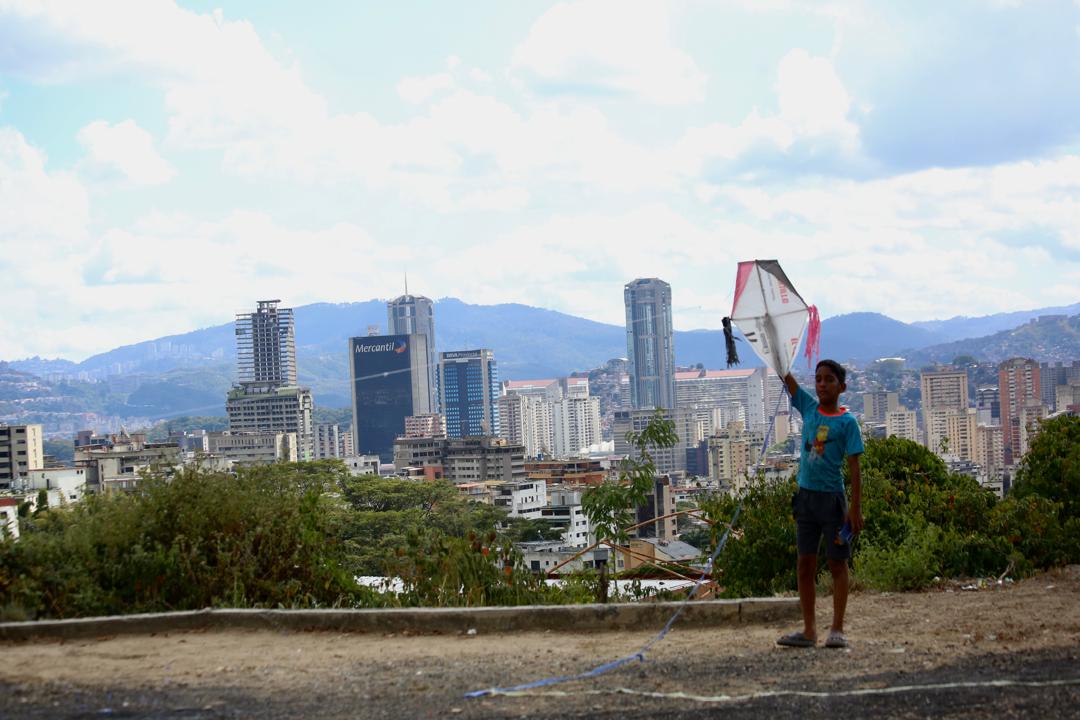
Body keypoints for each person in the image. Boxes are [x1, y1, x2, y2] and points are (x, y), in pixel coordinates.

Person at [776, 359, 864, 649]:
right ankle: (809, 629)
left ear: (842, 386)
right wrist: (775, 350)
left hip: (833, 500)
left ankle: (837, 628)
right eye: (818, 379)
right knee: (805, 564)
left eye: (828, 380)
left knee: (837, 563)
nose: (822, 384)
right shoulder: (810, 409)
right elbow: (788, 380)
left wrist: (855, 508)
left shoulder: (847, 423)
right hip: (806, 497)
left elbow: (854, 467)